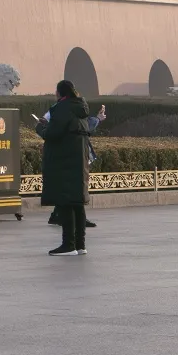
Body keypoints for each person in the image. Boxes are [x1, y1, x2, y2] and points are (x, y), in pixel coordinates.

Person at [35, 79, 105, 256]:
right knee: (77, 203)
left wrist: (40, 128)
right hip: (79, 162)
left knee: (66, 202)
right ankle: (80, 245)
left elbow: (53, 134)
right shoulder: (80, 108)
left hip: (63, 162)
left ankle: (68, 245)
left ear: (60, 93)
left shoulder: (61, 109)